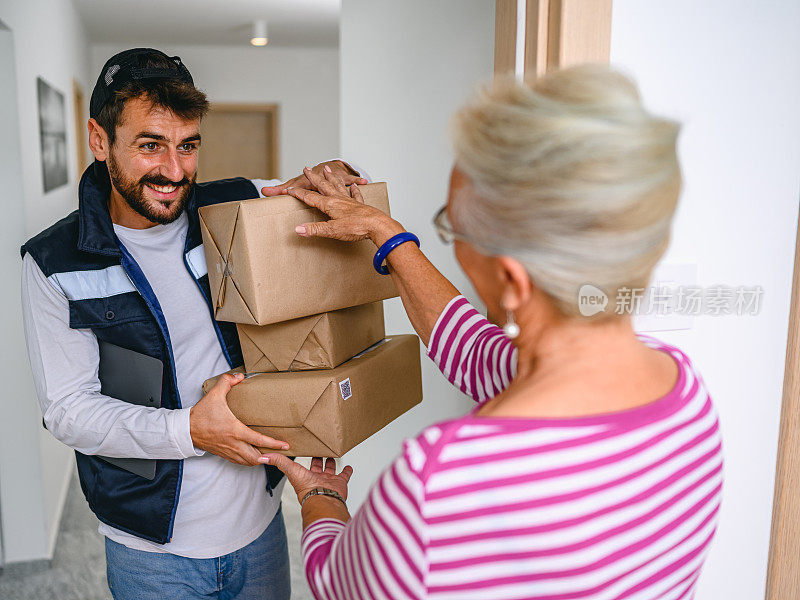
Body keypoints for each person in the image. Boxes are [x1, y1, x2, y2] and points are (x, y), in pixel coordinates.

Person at [263, 65, 724, 599]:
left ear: (511, 279)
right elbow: (474, 351)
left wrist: (324, 500)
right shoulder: (685, 392)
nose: (451, 239)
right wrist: (385, 233)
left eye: (452, 227)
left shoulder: (443, 482)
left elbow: (335, 584)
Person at [20, 47, 367, 600]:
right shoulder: (55, 260)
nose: (174, 171)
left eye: (188, 146)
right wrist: (191, 431)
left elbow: (320, 189)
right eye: (150, 146)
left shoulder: (231, 206)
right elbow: (68, 411)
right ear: (99, 139)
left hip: (259, 524)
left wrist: (343, 175)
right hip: (152, 550)